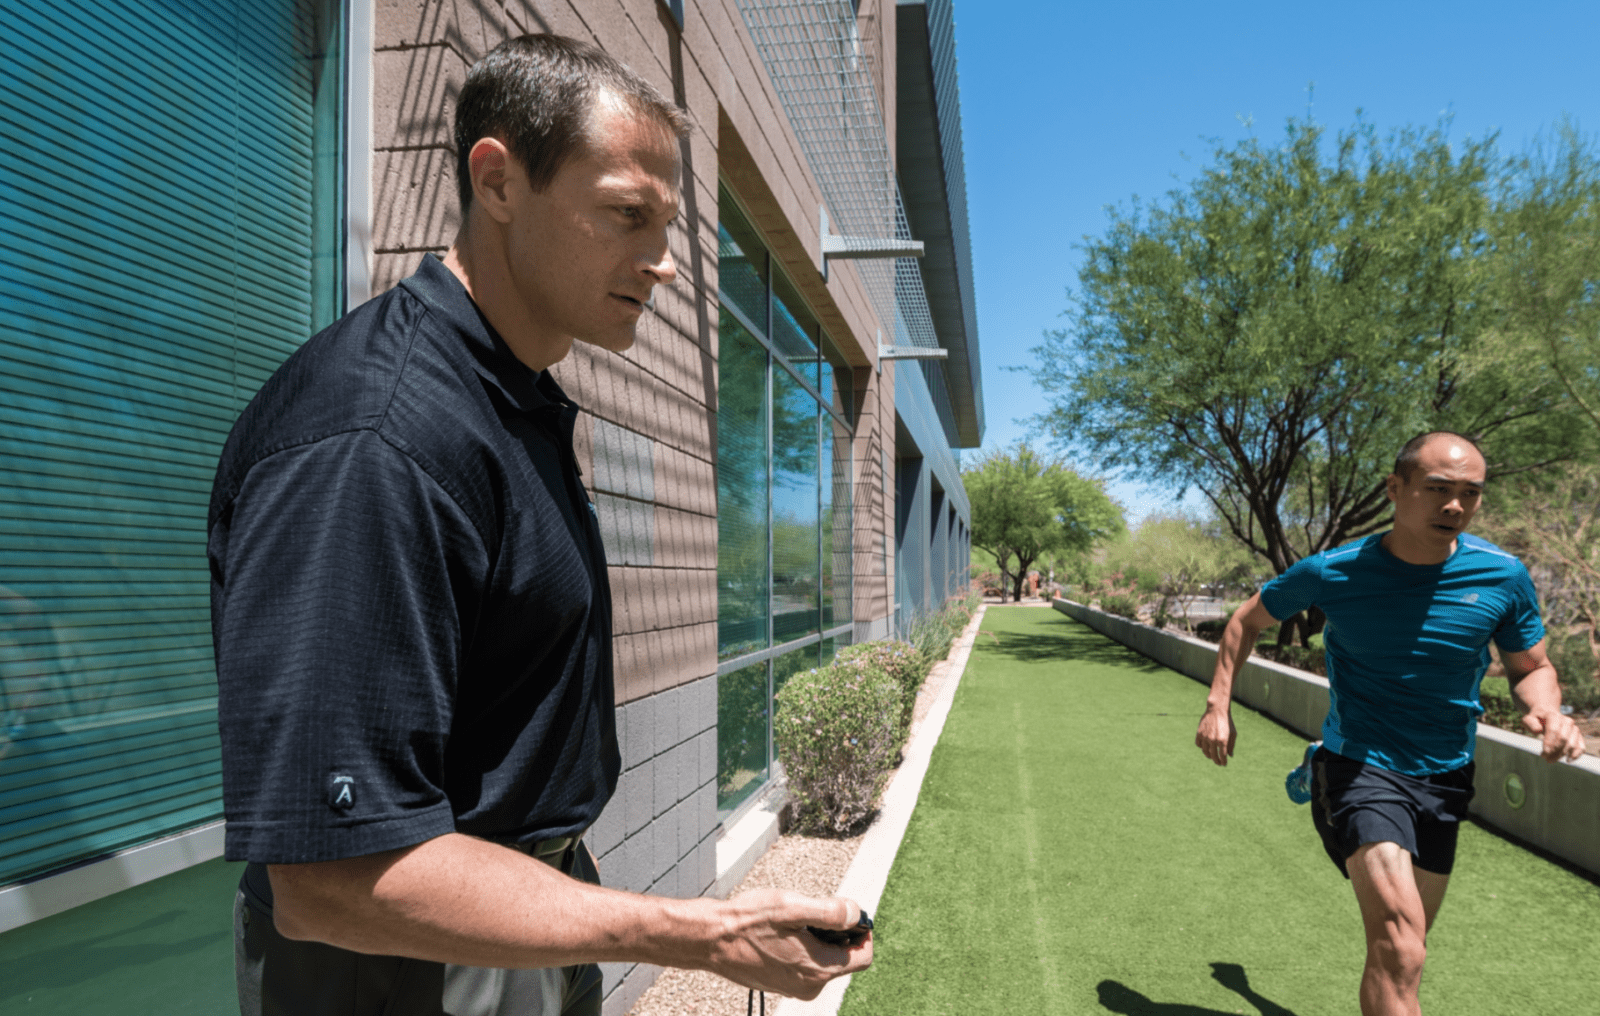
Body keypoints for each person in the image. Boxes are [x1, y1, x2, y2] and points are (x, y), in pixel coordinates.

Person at [209, 34, 870, 1016]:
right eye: (626, 214)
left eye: (666, 225)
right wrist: (703, 932)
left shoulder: (507, 401)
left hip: (519, 917)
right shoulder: (375, 436)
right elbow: (332, 877)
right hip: (403, 969)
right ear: (498, 181)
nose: (663, 264)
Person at [1194, 431, 1585, 1016]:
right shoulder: (1334, 571)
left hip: (1447, 774)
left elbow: (1532, 667)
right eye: (1438, 488)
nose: (1454, 505)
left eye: (1470, 493)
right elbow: (1245, 621)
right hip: (1362, 766)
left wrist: (1548, 709)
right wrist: (1217, 705)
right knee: (1401, 946)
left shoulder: (1502, 576)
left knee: (1406, 950)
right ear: (1395, 489)